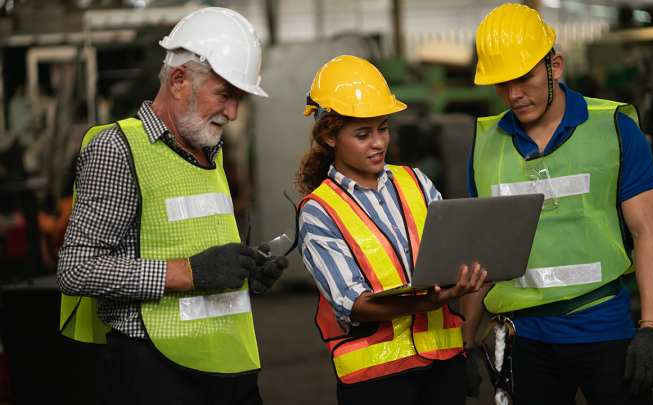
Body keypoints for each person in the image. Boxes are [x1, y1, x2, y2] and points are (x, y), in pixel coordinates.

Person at [57, 8, 289, 404]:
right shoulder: (117, 149)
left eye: (238, 98)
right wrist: (189, 273)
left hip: (229, 364)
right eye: (224, 94)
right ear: (179, 80)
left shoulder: (207, 149)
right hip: (155, 373)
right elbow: (76, 269)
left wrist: (243, 271)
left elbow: (193, 245)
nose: (232, 113)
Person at [463, 4, 653, 405]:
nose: (514, 95)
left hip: (603, 328)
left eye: (524, 78)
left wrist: (652, 327)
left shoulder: (613, 128)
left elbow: (650, 231)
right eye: (501, 84)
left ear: (555, 66)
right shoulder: (485, 147)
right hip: (520, 339)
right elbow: (480, 252)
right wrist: (465, 343)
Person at [294, 55, 490, 405]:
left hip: (444, 363)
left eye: (382, 128)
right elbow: (352, 302)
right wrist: (426, 301)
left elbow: (458, 255)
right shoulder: (319, 211)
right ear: (329, 136)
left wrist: (467, 339)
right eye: (362, 133)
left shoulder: (416, 182)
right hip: (377, 380)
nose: (378, 142)